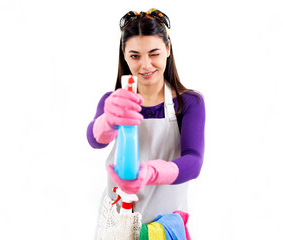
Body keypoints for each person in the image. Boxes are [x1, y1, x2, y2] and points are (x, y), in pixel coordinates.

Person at [87, 8, 205, 238]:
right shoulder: (113, 102)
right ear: (124, 55)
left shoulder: (189, 103)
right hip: (117, 224)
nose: (145, 65)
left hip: (164, 228)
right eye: (135, 56)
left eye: (154, 53)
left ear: (168, 49)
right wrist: (109, 120)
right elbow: (95, 140)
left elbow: (194, 161)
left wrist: (150, 172)